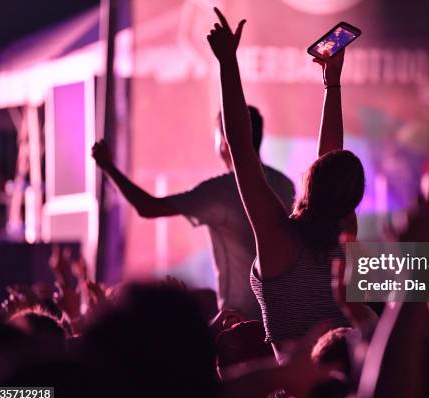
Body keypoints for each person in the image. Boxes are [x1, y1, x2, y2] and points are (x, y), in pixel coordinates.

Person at [207, 8, 365, 359]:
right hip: (352, 386)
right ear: (350, 202)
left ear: (311, 178)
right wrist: (332, 83)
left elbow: (241, 149)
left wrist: (228, 63)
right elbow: (331, 155)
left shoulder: (278, 240)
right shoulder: (344, 235)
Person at [91, 107, 295, 320]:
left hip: (239, 323)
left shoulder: (221, 191)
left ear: (225, 142)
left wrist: (108, 167)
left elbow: (148, 207)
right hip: (285, 316)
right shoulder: (285, 185)